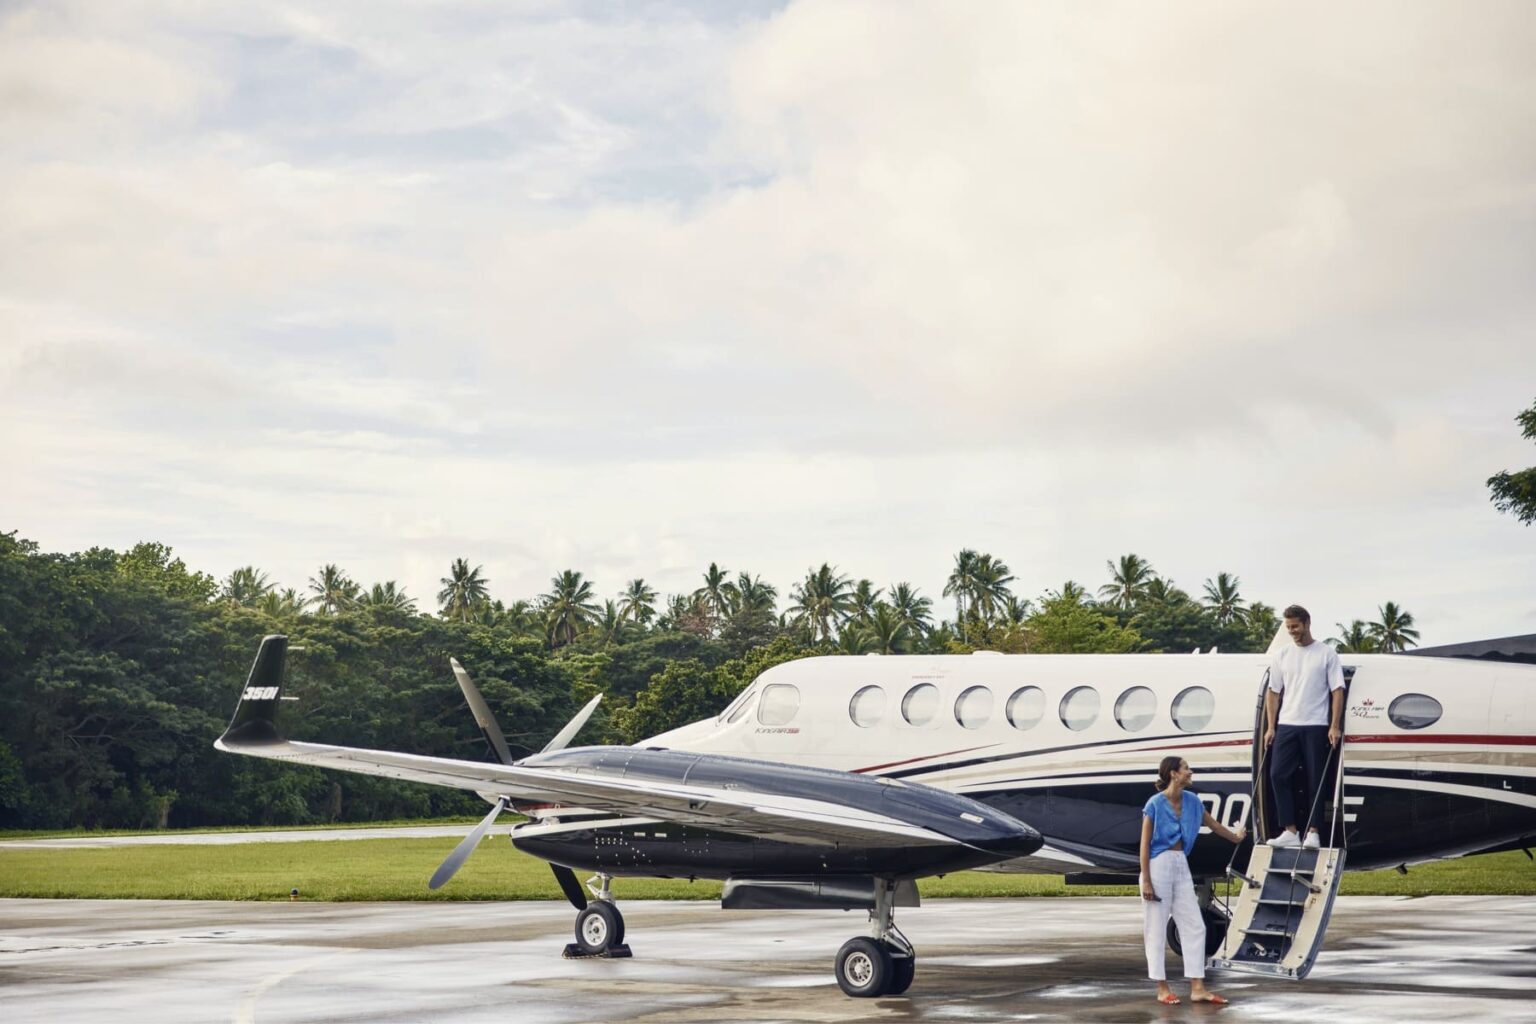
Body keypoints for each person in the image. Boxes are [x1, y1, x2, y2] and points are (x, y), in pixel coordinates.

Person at [1139, 755, 1244, 1006]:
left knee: (1195, 925)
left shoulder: (1193, 801)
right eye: (1186, 768)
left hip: (1180, 864)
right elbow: (1144, 844)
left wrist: (1236, 838)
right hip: (1157, 865)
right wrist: (1146, 881)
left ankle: (1198, 987)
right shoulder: (1154, 803)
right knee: (1155, 926)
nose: (1190, 771)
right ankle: (1162, 987)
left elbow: (1215, 826)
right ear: (1174, 774)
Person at [1263, 604, 1345, 849]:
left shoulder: (1326, 654)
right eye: (1288, 628)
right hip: (1287, 723)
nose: (1292, 632)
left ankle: (1313, 832)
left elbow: (1337, 691)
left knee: (1315, 779)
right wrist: (1270, 727)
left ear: (1307, 623)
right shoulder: (1282, 655)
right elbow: (1273, 692)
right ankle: (1289, 830)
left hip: (1316, 724)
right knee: (1278, 775)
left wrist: (1334, 725)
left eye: (1295, 627)